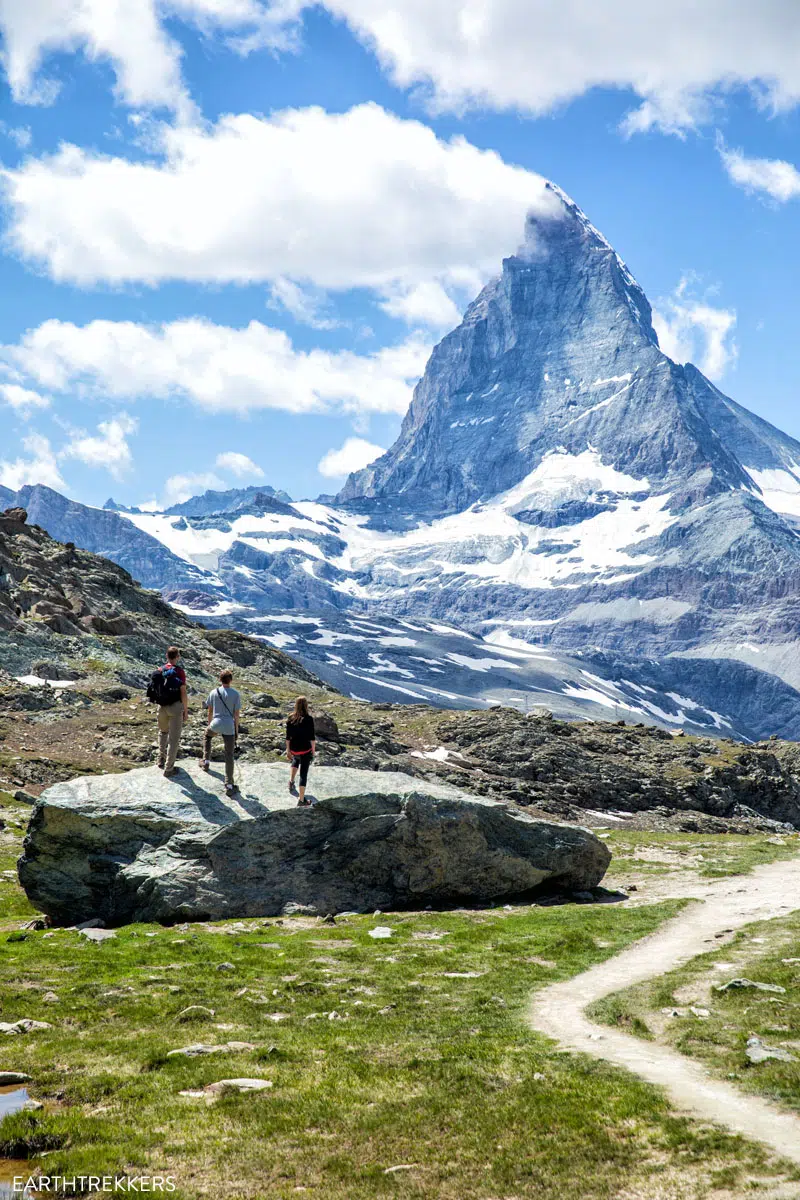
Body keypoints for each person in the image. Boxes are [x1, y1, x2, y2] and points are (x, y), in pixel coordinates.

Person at [200, 670, 241, 796]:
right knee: (229, 754)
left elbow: (209, 711)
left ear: (220, 680)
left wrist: (210, 724)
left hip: (216, 722)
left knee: (207, 736)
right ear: (231, 680)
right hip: (229, 725)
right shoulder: (235, 694)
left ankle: (206, 761)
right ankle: (229, 784)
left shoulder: (214, 692)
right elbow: (236, 715)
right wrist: (236, 731)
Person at [155, 646, 188, 777]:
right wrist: (185, 710)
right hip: (175, 707)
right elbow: (183, 692)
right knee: (174, 739)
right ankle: (169, 769)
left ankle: (160, 759)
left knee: (163, 732)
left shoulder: (160, 670)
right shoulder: (179, 672)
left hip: (161, 707)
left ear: (166, 656)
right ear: (177, 657)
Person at [286, 696, 315, 806]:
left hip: (294, 749)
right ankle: (301, 800)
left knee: (295, 760)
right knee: (303, 774)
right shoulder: (309, 719)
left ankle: (291, 782)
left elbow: (288, 737)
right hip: (305, 749)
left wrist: (288, 750)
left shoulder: (290, 718)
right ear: (306, 705)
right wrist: (313, 750)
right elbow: (312, 737)